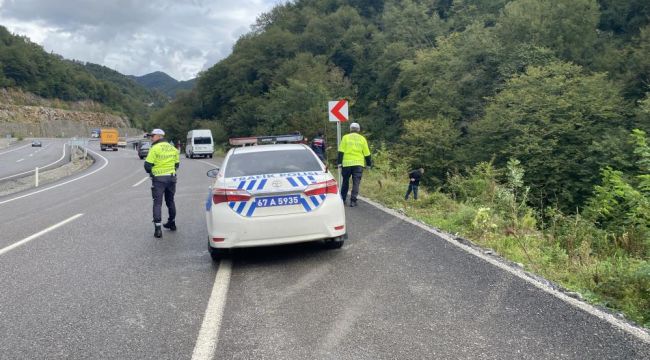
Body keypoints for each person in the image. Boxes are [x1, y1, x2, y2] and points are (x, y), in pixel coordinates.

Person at [144, 128, 180, 238]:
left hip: (159, 180)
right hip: (171, 178)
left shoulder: (155, 148)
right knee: (170, 201)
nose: (151, 138)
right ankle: (172, 223)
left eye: (153, 136)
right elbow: (177, 165)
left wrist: (153, 172)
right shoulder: (173, 148)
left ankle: (158, 229)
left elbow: (147, 166)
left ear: (159, 136)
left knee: (157, 203)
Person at [337, 122, 371, 207]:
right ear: (358, 130)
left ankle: (343, 199)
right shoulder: (362, 139)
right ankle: (353, 201)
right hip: (358, 164)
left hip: (347, 163)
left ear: (350, 129)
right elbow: (367, 153)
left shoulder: (345, 137)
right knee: (356, 183)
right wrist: (369, 164)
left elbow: (341, 151)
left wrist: (339, 163)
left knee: (345, 181)